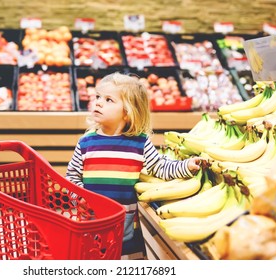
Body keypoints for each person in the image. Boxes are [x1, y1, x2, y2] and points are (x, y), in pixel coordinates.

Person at [66, 72, 202, 256]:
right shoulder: (86, 143)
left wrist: (186, 166)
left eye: (108, 100)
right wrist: (78, 197)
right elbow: (72, 178)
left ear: (127, 113)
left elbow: (160, 167)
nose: (98, 102)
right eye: (97, 97)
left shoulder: (139, 143)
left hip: (125, 228)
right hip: (91, 225)